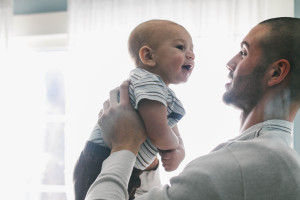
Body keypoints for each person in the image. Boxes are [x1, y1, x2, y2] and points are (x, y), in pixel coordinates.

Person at [85, 17, 300, 200]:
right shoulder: (266, 159)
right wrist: (148, 163)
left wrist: (124, 145)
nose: (230, 62)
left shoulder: (249, 163)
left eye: (243, 52)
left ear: (276, 73)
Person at [73, 19, 195, 200]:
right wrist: (175, 148)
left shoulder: (161, 91)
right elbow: (159, 133)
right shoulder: (148, 82)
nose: (191, 55)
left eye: (192, 49)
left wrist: (180, 150)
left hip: (125, 165)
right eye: (180, 47)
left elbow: (169, 127)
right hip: (102, 161)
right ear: (149, 56)